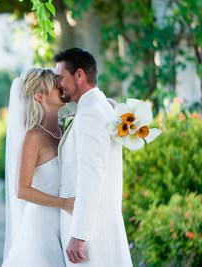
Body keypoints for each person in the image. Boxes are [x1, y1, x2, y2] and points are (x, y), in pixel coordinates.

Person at [55, 48, 132, 266]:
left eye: (60, 77)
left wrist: (79, 235)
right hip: (99, 225)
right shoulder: (100, 105)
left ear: (79, 74)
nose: (57, 84)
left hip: (92, 235)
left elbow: (92, 175)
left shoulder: (90, 113)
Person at [2, 68, 75, 267]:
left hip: (65, 225)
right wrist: (64, 203)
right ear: (39, 96)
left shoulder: (66, 128)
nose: (62, 88)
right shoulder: (33, 137)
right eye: (55, 85)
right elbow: (23, 190)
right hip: (40, 228)